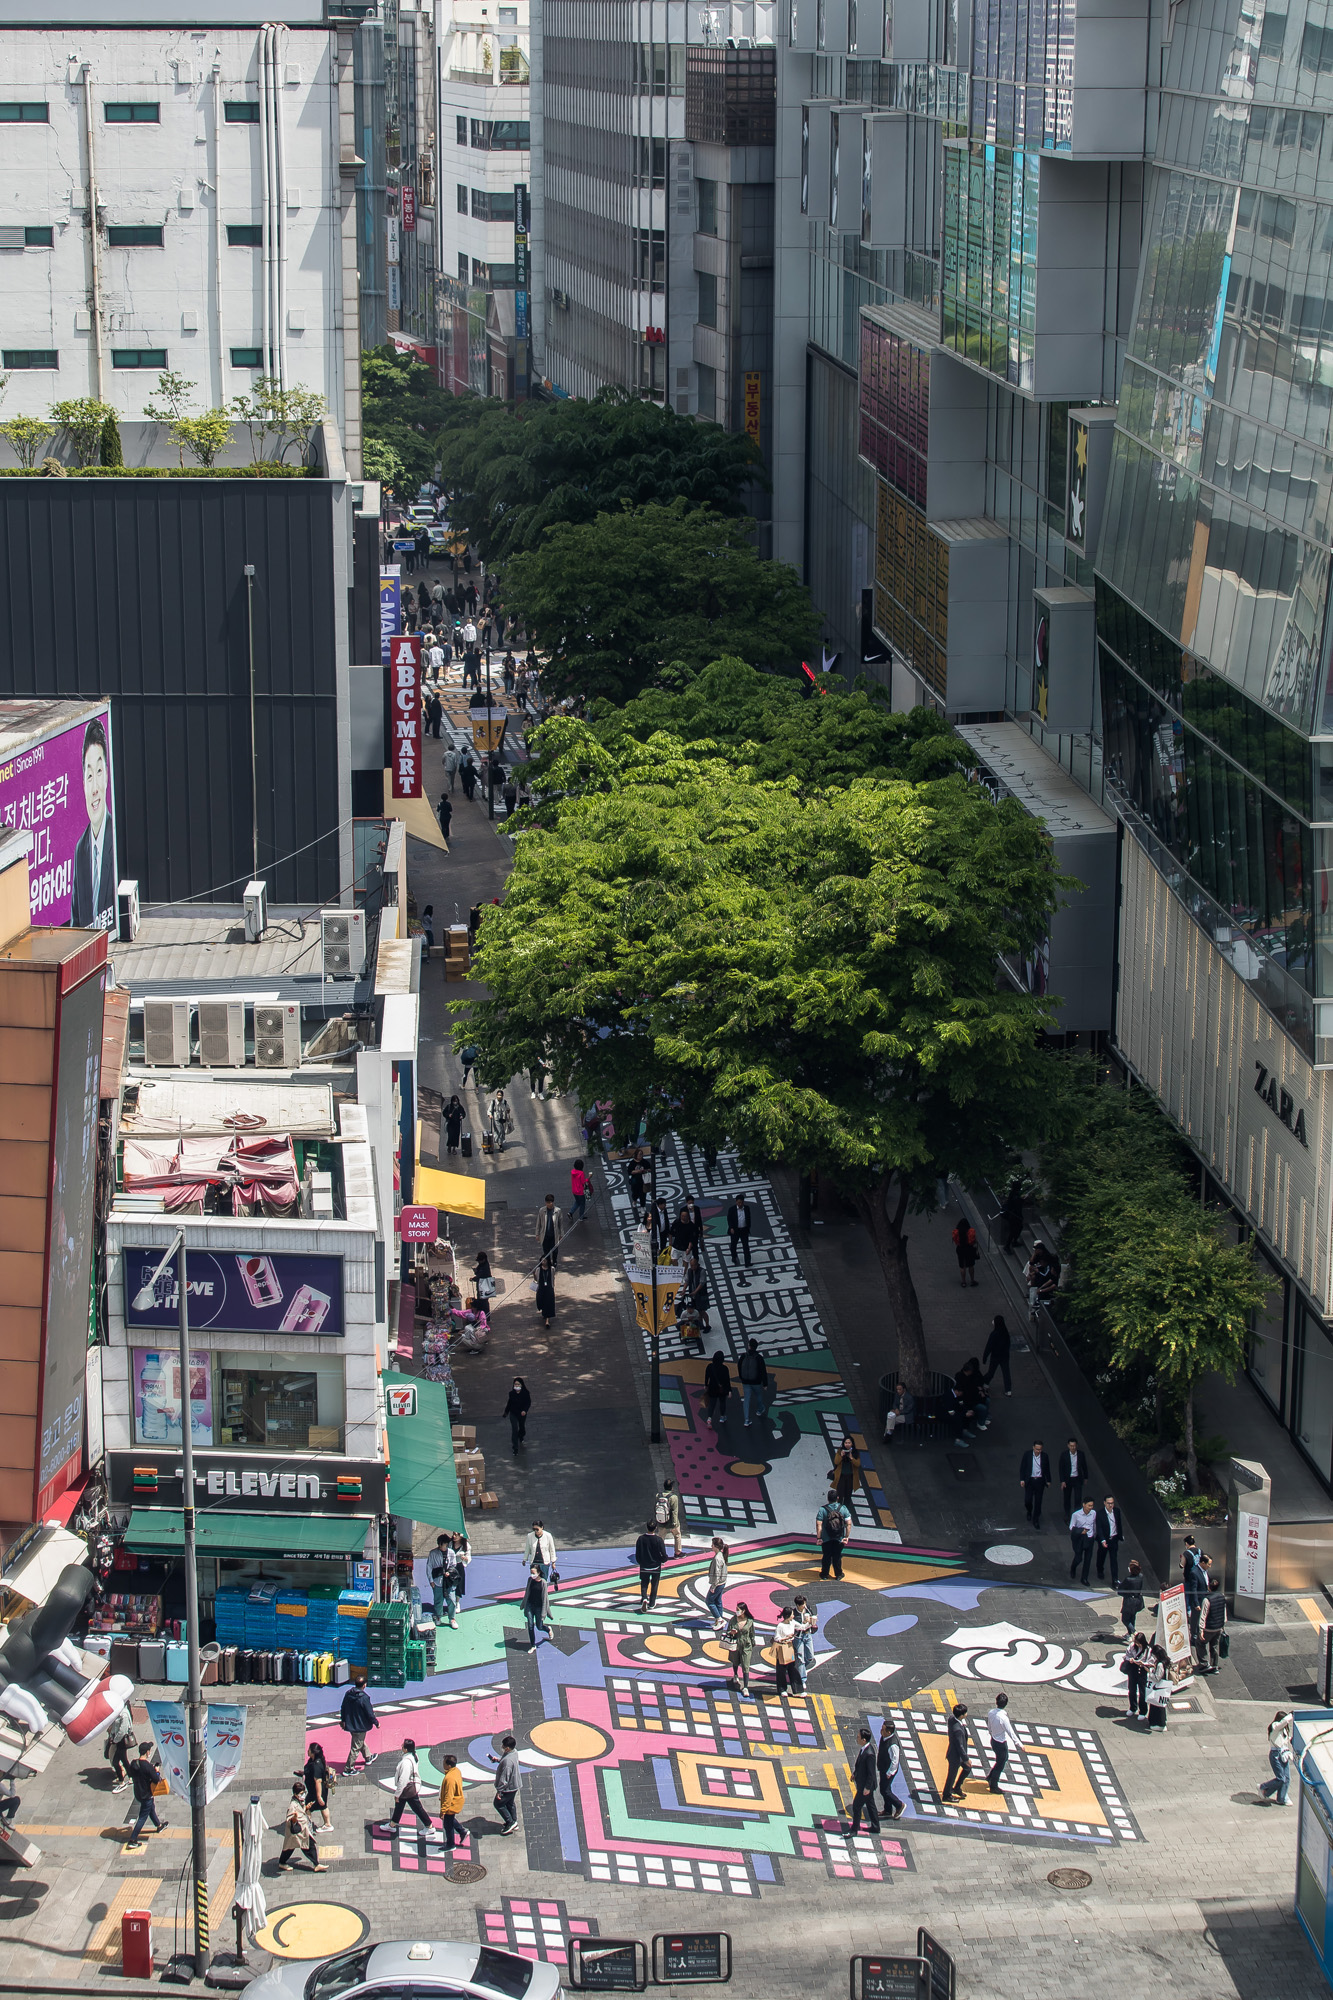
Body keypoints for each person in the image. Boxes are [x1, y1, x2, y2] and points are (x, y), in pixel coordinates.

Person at [71, 714, 115, 931]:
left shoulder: (115, 837)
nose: (95, 787)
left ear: (107, 774)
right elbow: (76, 923)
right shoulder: (81, 850)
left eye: (99, 771)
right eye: (89, 776)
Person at [279, 1780, 329, 1871]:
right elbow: (289, 1818)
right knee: (293, 1847)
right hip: (297, 1831)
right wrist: (294, 1818)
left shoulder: (299, 1801)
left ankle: (316, 1864)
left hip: (301, 1830)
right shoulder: (293, 1805)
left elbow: (301, 1810)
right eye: (301, 1793)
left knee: (297, 1846)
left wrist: (306, 1808)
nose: (303, 1795)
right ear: (295, 1794)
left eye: (304, 1793)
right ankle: (282, 1862)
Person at [385, 1738, 432, 1830]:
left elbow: (403, 1780)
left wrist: (397, 1794)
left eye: (403, 1745)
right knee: (399, 1807)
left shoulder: (406, 1763)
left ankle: (429, 1826)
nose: (401, 1746)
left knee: (417, 1808)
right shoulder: (414, 1755)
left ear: (406, 1749)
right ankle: (392, 1824)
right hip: (410, 1787)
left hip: (408, 1789)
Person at [126, 1742, 168, 1843]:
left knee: (151, 1809)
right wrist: (157, 1771)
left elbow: (131, 1774)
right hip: (146, 1795)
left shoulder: (134, 1763)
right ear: (147, 1752)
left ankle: (159, 1826)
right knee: (142, 1817)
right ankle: (133, 1839)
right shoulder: (147, 1766)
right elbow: (156, 1780)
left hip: (138, 1793)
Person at [340, 1673, 376, 1773]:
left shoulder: (348, 1694)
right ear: (364, 1685)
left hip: (350, 1724)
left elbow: (343, 1707)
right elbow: (370, 1713)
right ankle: (348, 1768)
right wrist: (376, 1722)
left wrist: (343, 1720)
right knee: (356, 1746)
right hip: (360, 1725)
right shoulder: (364, 1698)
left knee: (358, 1741)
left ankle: (368, 1757)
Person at [847, 1727, 881, 1835]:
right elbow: (860, 1765)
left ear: (864, 1740)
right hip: (864, 1785)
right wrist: (855, 1774)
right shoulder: (864, 1750)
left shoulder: (869, 1754)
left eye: (858, 1737)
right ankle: (875, 1827)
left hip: (866, 1787)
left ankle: (854, 1830)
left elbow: (871, 1773)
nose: (856, 1739)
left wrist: (867, 1788)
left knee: (856, 1806)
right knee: (871, 1806)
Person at [1260, 1711, 1295, 1805]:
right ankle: (1264, 1788)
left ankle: (1281, 1798)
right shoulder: (1275, 1726)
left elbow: (1285, 1740)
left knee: (1287, 1778)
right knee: (1281, 1778)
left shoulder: (1284, 1730)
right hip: (1275, 1755)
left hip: (1284, 1753)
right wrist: (1290, 1716)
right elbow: (1283, 1723)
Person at [816, 1487, 851, 1579]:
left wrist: (819, 1538)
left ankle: (824, 1574)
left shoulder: (822, 1510)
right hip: (839, 1537)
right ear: (837, 1498)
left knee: (826, 1556)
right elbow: (849, 1524)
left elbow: (818, 1525)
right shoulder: (843, 1509)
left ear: (828, 1498)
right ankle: (838, 1574)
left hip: (826, 1538)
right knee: (837, 1556)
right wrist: (846, 1536)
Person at [491, 1735, 522, 1833]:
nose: (502, 1747)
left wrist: (499, 1792)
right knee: (510, 1803)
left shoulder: (507, 1762)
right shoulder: (514, 1752)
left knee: (498, 1804)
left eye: (503, 1746)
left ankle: (510, 1822)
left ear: (508, 1748)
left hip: (509, 1787)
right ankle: (514, 1821)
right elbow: (506, 1759)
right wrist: (498, 1760)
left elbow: (504, 1779)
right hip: (515, 1784)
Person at [634, 1518, 667, 1611]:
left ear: (647, 1527)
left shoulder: (641, 1539)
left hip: (644, 1565)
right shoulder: (658, 1540)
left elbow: (638, 1554)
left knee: (644, 1583)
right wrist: (662, 1560)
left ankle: (644, 1598)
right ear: (655, 1528)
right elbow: (663, 1554)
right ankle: (652, 1603)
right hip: (656, 1566)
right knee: (654, 1584)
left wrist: (641, 1562)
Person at [1019, 1440, 1052, 1530]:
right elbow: (1023, 1467)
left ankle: (1036, 1519)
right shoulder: (1027, 1455)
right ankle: (1029, 1510)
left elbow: (1047, 1469)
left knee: (1038, 1501)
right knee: (1027, 1500)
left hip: (1040, 1481)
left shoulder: (1045, 1456)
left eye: (1040, 1449)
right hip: (1030, 1481)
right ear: (1033, 1447)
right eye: (1037, 1449)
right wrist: (1022, 1479)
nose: (1038, 1451)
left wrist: (1048, 1480)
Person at [985, 1692, 1015, 1793]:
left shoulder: (991, 1712)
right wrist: (1019, 1744)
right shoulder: (1003, 1718)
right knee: (1000, 1764)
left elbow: (989, 1726)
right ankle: (993, 1785)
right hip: (1001, 1743)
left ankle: (990, 1776)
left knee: (1003, 1759)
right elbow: (1010, 1732)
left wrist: (991, 1733)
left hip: (993, 1740)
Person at [1198, 1570, 1227, 1671]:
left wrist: (1201, 1629)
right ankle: (1214, 1665)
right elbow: (1224, 1614)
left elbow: (1203, 1615)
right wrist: (1223, 1626)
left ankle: (1204, 1663)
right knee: (1214, 1646)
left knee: (1200, 1643)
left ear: (1209, 1587)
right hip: (1218, 1627)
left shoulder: (1207, 1600)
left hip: (1209, 1628)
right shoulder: (1222, 1597)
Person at [942, 1704, 971, 1802]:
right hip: (956, 1756)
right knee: (951, 1776)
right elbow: (960, 1746)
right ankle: (946, 1795)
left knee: (967, 1768)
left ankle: (957, 1787)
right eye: (965, 1712)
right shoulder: (958, 1730)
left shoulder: (952, 1719)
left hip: (956, 1754)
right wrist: (966, 1759)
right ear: (961, 1715)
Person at [1121, 1630, 1152, 1719]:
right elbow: (1127, 1655)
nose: (1137, 1644)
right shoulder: (1132, 1646)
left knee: (1142, 1692)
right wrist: (1130, 1659)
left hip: (1142, 1672)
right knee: (1132, 1690)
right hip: (1133, 1670)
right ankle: (1133, 1707)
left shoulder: (1148, 1650)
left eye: (1138, 1643)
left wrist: (1143, 1663)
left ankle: (1143, 1711)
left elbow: (1150, 1661)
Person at [1095, 1493, 1125, 1588]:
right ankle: (1100, 1570)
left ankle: (1115, 1580)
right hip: (1105, 1539)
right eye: (1108, 1503)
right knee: (1101, 1556)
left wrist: (1120, 1535)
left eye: (1112, 1503)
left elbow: (1118, 1524)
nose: (1110, 1505)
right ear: (1104, 1503)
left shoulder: (1116, 1511)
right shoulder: (1100, 1514)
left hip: (1114, 1539)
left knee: (1114, 1560)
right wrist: (1102, 1539)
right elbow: (1099, 1528)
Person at [1025, 1240, 1060, 1317]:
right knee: (1034, 1276)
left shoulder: (1051, 1269)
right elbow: (1031, 1263)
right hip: (1045, 1282)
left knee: (1042, 1292)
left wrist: (1041, 1289)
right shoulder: (1048, 1269)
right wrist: (1041, 1287)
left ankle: (1038, 1305)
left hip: (1049, 1287)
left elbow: (1051, 1283)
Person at [877, 1719, 905, 1819]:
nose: (881, 1731)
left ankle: (899, 1805)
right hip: (883, 1767)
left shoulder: (893, 1745)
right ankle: (888, 1810)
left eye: (883, 1729)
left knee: (884, 1791)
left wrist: (889, 1772)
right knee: (885, 1789)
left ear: (889, 1732)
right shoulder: (884, 1737)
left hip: (888, 1770)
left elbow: (895, 1760)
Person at [725, 1602, 755, 1691]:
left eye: (738, 1610)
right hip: (735, 1644)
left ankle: (745, 1687)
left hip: (746, 1646)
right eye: (736, 1609)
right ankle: (735, 1674)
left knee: (746, 1666)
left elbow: (752, 1634)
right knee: (735, 1661)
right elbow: (727, 1631)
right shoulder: (733, 1620)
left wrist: (752, 1644)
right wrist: (731, 1633)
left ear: (743, 1611)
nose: (736, 1611)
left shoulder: (749, 1621)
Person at [739, 1339, 769, 1427]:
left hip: (745, 1381)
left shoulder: (743, 1356)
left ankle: (746, 1420)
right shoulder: (759, 1358)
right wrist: (765, 1384)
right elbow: (763, 1371)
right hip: (756, 1382)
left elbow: (739, 1366)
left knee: (746, 1399)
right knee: (758, 1395)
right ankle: (760, 1410)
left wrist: (741, 1377)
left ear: (749, 1346)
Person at [303, 1740, 333, 1829]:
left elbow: (318, 1781)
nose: (307, 1751)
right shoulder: (317, 1760)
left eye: (309, 1750)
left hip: (316, 1791)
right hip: (320, 1790)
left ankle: (307, 1827)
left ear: (313, 1753)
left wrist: (319, 1796)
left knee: (307, 1807)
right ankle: (327, 1824)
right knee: (323, 1806)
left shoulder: (316, 1765)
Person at [439, 1753, 466, 1851]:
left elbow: (448, 1796)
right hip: (457, 1801)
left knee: (447, 1824)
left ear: (449, 1765)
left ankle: (450, 1844)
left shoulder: (449, 1778)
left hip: (452, 1804)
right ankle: (461, 1831)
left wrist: (443, 1810)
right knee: (450, 1819)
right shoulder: (456, 1771)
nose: (442, 1764)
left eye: (444, 1763)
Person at [1069, 1496, 1098, 1584]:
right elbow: (1071, 1527)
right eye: (1089, 1505)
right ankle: (1073, 1568)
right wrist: (1081, 1531)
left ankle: (1084, 1578)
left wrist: (1095, 1534)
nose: (1090, 1507)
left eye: (1092, 1505)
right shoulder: (1076, 1515)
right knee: (1078, 1558)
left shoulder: (1093, 1513)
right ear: (1084, 1505)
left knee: (1088, 1559)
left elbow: (1094, 1525)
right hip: (1080, 1538)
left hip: (1090, 1538)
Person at [982, 1314, 1013, 1394]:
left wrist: (985, 1357)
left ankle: (985, 1382)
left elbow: (989, 1346)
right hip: (1005, 1357)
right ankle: (1008, 1390)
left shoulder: (994, 1334)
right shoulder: (1006, 1333)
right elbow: (1008, 1344)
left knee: (991, 1371)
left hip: (995, 1356)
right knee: (1006, 1373)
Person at [106, 1704, 135, 1790]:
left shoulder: (124, 1714)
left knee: (115, 1761)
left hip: (121, 1741)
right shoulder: (117, 1712)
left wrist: (115, 1740)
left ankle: (121, 1781)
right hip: (116, 1739)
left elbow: (123, 1730)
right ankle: (131, 1777)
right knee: (123, 1760)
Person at [773, 1606, 801, 1695]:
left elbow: (802, 1627)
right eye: (792, 1614)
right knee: (781, 1669)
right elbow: (776, 1638)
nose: (793, 1616)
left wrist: (810, 1623)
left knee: (793, 1668)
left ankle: (798, 1690)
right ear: (788, 1615)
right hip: (782, 1648)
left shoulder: (792, 1623)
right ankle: (782, 1689)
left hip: (790, 1647)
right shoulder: (780, 1626)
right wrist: (785, 1638)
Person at [523, 1563, 550, 1650]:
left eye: (533, 1573)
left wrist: (544, 1613)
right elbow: (527, 1593)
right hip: (530, 1606)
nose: (532, 1575)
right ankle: (532, 1645)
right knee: (530, 1626)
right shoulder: (530, 1580)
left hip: (538, 1607)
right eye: (531, 1572)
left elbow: (545, 1599)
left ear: (538, 1572)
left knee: (539, 1626)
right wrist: (524, 1604)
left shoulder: (543, 1583)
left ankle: (548, 1629)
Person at [792, 1596, 817, 1689]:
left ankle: (800, 1669)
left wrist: (812, 1621)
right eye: (802, 1604)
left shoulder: (808, 1609)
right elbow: (798, 1627)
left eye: (805, 1603)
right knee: (800, 1658)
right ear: (798, 1605)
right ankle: (802, 1679)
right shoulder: (794, 1614)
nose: (804, 1606)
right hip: (798, 1637)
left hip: (807, 1635)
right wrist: (806, 1623)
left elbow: (812, 1617)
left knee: (810, 1657)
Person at [704, 1537, 728, 1630]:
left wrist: (713, 1586)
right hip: (722, 1582)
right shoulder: (721, 1555)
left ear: (716, 1546)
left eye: (712, 1545)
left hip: (718, 1583)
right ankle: (719, 1620)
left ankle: (720, 1619)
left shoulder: (717, 1558)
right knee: (718, 1601)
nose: (711, 1546)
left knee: (709, 1601)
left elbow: (717, 1573)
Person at [535, 1193, 565, 1268]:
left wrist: (561, 1234)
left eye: (551, 1202)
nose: (549, 1204)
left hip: (554, 1235)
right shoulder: (542, 1211)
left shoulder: (558, 1211)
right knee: (546, 1251)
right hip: (545, 1235)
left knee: (555, 1251)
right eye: (548, 1202)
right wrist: (537, 1234)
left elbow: (560, 1223)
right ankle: (548, 1263)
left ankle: (554, 1261)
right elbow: (538, 1223)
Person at [704, 1351, 732, 1429]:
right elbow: (727, 1380)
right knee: (722, 1402)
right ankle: (722, 1417)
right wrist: (729, 1390)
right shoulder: (725, 1368)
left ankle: (709, 1419)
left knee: (712, 1404)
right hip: (722, 1389)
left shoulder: (710, 1366)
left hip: (712, 1388)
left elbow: (707, 1376)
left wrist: (706, 1385)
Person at [1059, 1437, 1085, 1516]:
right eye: (1071, 1446)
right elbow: (1061, 1468)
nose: (1073, 1447)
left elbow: (1084, 1466)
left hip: (1077, 1478)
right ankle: (1067, 1514)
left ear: (1076, 1445)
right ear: (1068, 1446)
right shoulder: (1064, 1455)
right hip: (1068, 1479)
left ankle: (1076, 1515)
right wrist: (1062, 1481)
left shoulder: (1080, 1454)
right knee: (1067, 1498)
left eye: (1074, 1446)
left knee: (1078, 1498)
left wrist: (1085, 1477)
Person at [504, 1377, 532, 1453]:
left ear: (521, 1385)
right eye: (515, 1384)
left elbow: (528, 1403)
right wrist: (506, 1412)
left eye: (518, 1384)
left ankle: (521, 1436)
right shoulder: (511, 1394)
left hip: (522, 1414)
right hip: (513, 1413)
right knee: (514, 1429)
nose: (516, 1385)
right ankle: (515, 1447)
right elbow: (509, 1403)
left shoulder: (525, 1393)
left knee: (522, 1427)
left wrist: (525, 1410)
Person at [1120, 1558, 1146, 1636]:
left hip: (1129, 1601)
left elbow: (1120, 1590)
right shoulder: (1141, 1577)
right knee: (1132, 1617)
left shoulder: (1128, 1579)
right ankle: (1130, 1633)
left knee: (1125, 1619)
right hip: (1138, 1600)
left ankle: (1134, 1632)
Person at [428, 1533, 451, 1619]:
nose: (441, 1546)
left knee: (451, 1600)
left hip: (448, 1581)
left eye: (444, 1545)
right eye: (440, 1544)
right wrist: (431, 1580)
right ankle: (438, 1616)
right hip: (437, 1580)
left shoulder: (451, 1552)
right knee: (438, 1600)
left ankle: (452, 1618)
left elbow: (453, 1565)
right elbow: (429, 1567)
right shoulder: (433, 1553)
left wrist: (450, 1573)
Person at [952, 1216, 979, 1287]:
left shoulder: (957, 1232)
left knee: (962, 1266)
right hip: (969, 1249)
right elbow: (974, 1241)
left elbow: (955, 1241)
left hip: (960, 1249)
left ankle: (963, 1282)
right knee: (971, 1265)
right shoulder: (971, 1231)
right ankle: (972, 1280)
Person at [726, 1194, 753, 1266]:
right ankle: (734, 1257)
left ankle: (747, 1262)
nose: (740, 1204)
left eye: (741, 1202)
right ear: (736, 1202)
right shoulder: (732, 1209)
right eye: (738, 1202)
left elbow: (748, 1218)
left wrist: (748, 1227)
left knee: (746, 1246)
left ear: (743, 1202)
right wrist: (731, 1227)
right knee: (733, 1245)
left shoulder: (747, 1208)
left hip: (744, 1230)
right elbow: (729, 1219)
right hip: (735, 1230)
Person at [660, 1478, 682, 1557]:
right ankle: (678, 1553)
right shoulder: (673, 1497)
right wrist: (674, 1523)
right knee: (677, 1535)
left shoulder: (658, 1496)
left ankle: (661, 1554)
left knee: (661, 1538)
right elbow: (674, 1511)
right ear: (671, 1487)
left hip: (661, 1521)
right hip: (671, 1521)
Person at [834, 1441, 862, 1505]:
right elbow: (836, 1462)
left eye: (849, 1443)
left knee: (848, 1494)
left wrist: (851, 1458)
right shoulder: (840, 1451)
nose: (847, 1445)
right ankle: (839, 1507)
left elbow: (857, 1464)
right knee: (840, 1494)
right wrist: (841, 1456)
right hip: (841, 1476)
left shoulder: (855, 1453)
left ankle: (845, 1508)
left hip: (850, 1477)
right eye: (846, 1443)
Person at [488, 1089, 514, 1153]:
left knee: (502, 1130)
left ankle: (499, 1141)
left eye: (500, 1095)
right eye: (498, 1095)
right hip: (496, 1119)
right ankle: (500, 1144)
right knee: (499, 1130)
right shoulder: (493, 1102)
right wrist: (490, 1115)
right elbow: (489, 1110)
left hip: (503, 1119)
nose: (499, 1096)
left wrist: (507, 1112)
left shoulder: (504, 1102)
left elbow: (508, 1108)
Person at [535, 1256, 556, 1328]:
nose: (543, 1262)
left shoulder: (552, 1269)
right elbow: (536, 1278)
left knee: (548, 1303)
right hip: (541, 1288)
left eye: (545, 1260)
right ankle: (544, 1312)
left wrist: (553, 1286)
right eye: (542, 1260)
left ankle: (547, 1321)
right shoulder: (538, 1269)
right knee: (540, 1300)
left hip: (549, 1288)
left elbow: (553, 1278)